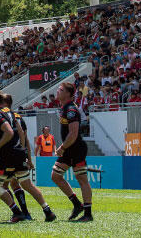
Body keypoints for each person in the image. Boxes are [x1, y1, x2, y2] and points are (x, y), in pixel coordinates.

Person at [0, 89, 31, 222]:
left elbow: (9, 132)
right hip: (15, 153)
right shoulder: (10, 114)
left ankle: (18, 212)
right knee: (16, 184)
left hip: (7, 155)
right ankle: (39, 210)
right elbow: (20, 133)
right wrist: (23, 149)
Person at [7, 96, 55, 221]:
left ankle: (23, 213)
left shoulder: (5, 118)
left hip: (12, 155)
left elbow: (10, 138)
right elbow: (25, 139)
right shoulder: (19, 118)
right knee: (20, 184)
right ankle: (45, 210)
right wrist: (28, 157)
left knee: (3, 184)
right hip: (20, 154)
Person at [50, 81, 93, 222]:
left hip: (76, 149)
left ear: (68, 93)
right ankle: (76, 204)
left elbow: (73, 133)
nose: (57, 91)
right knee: (56, 176)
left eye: (60, 89)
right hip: (69, 149)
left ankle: (88, 213)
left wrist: (62, 147)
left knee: (82, 180)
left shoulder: (71, 110)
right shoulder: (65, 108)